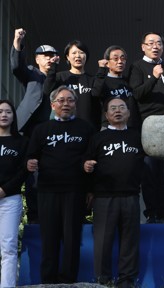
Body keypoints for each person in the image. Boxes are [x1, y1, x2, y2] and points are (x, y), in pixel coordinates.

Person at [26, 86, 94, 283]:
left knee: (72, 239)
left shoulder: (86, 128)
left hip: (75, 191)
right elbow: (31, 156)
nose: (66, 104)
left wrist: (90, 189)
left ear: (75, 104)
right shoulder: (41, 130)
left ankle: (68, 281)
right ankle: (48, 281)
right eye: (62, 100)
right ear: (53, 104)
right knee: (49, 238)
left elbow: (91, 159)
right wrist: (30, 162)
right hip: (47, 191)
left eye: (70, 100)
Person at [83, 98, 144, 287]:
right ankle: (103, 279)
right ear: (106, 115)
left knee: (130, 241)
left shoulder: (137, 137)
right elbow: (86, 162)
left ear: (129, 113)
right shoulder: (97, 138)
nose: (117, 111)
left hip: (131, 196)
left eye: (122, 108)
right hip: (104, 197)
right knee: (102, 241)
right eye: (113, 108)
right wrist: (86, 166)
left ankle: (127, 280)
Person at [128, 32, 164, 223]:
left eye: (159, 43)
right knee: (149, 172)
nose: (155, 46)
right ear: (143, 47)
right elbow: (137, 94)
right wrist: (154, 78)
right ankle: (151, 214)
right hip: (147, 126)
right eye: (151, 43)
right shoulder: (137, 66)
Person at [10, 28, 58, 224]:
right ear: (37, 59)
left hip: (51, 132)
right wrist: (17, 42)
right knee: (24, 171)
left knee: (44, 174)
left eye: (52, 56)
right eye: (44, 56)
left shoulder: (60, 78)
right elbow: (15, 66)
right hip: (27, 129)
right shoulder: (31, 74)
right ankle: (29, 217)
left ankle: (43, 215)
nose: (48, 59)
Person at [0, 100, 29, 288]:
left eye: (8, 112)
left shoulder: (21, 141)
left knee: (8, 246)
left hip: (10, 199)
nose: (3, 115)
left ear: (13, 116)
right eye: (0, 111)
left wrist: (4, 190)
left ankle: (7, 285)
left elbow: (23, 171)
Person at [43, 40, 101, 131]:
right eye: (74, 53)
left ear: (86, 56)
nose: (78, 55)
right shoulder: (60, 77)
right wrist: (53, 67)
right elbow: (47, 90)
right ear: (67, 57)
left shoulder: (92, 79)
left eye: (81, 52)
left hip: (88, 129)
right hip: (63, 128)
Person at [92, 45, 141, 129]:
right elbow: (95, 93)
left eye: (123, 58)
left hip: (130, 127)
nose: (120, 61)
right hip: (109, 127)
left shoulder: (130, 81)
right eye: (115, 59)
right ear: (107, 62)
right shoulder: (102, 80)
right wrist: (101, 69)